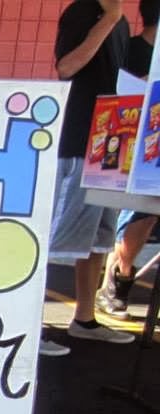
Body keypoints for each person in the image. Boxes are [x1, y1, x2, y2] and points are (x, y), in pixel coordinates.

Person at [42, 0, 137, 356]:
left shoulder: (122, 21)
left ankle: (84, 318)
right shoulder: (84, 12)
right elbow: (67, 66)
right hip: (79, 140)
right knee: (56, 237)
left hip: (112, 139)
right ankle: (29, 325)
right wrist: (109, 19)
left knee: (99, 237)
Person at [96, 0, 160, 320]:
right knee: (136, 214)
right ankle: (116, 280)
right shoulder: (130, 51)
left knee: (146, 216)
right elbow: (113, 97)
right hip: (128, 144)